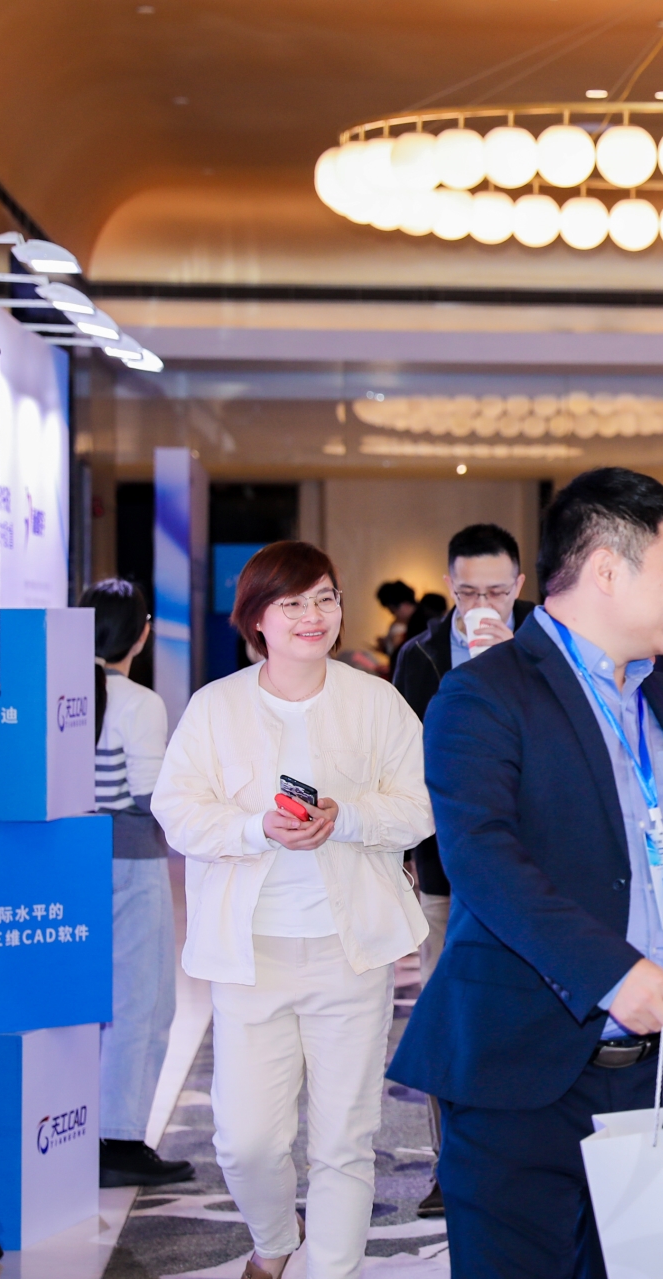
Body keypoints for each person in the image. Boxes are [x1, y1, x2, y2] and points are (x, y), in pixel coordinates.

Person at [387, 467, 663, 1278]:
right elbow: (483, 860)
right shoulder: (482, 695)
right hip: (522, 1073)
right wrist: (611, 971)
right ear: (608, 569)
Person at [152, 542, 433, 1279]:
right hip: (251, 954)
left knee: (345, 1139)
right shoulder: (216, 707)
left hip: (351, 951)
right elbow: (177, 812)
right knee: (245, 1140)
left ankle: (331, 1269)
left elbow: (421, 804)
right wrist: (255, 828)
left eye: (326, 598)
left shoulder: (376, 701)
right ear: (257, 619)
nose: (314, 615)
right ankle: (275, 1239)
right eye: (294, 602)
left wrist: (349, 816)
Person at [390, 522, 536, 1218]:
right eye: (470, 592)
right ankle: (451, 1168)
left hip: (536, 868)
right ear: (450, 586)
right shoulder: (420, 656)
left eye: (497, 592)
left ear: (520, 585)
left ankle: (527, 1160)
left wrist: (515, 666)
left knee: (530, 1015)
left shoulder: (547, 642)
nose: (483, 604)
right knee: (451, 1016)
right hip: (448, 871)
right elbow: (403, 761)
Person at [84, 579, 194, 1189]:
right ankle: (120, 1139)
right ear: (142, 634)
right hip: (130, 861)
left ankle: (80, 1130)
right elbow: (152, 797)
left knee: (84, 1006)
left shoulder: (58, 691)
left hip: (65, 863)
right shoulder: (139, 703)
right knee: (142, 1003)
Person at [375, 580, 418, 657]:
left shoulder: (420, 624)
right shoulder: (407, 623)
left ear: (405, 604)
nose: (395, 616)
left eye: (393, 611)